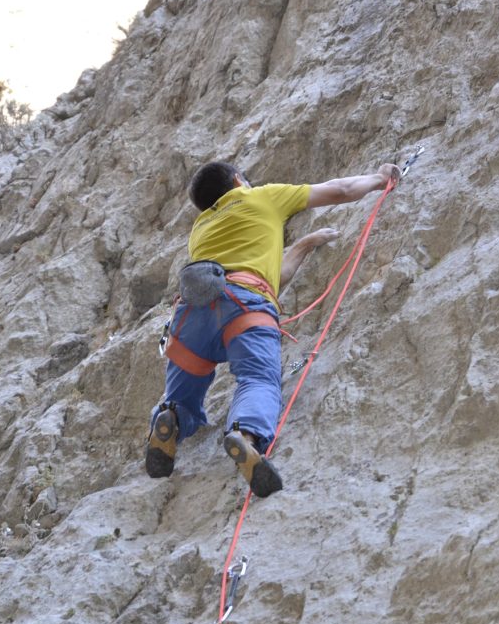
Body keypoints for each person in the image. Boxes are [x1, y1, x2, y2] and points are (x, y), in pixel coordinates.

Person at [145, 159, 401, 496]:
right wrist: (379, 179)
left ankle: (171, 419)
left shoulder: (202, 227)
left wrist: (302, 246)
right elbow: (340, 190)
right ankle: (245, 434)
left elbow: (267, 275)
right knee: (258, 378)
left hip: (191, 313)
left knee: (183, 390)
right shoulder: (260, 198)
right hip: (245, 307)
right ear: (239, 181)